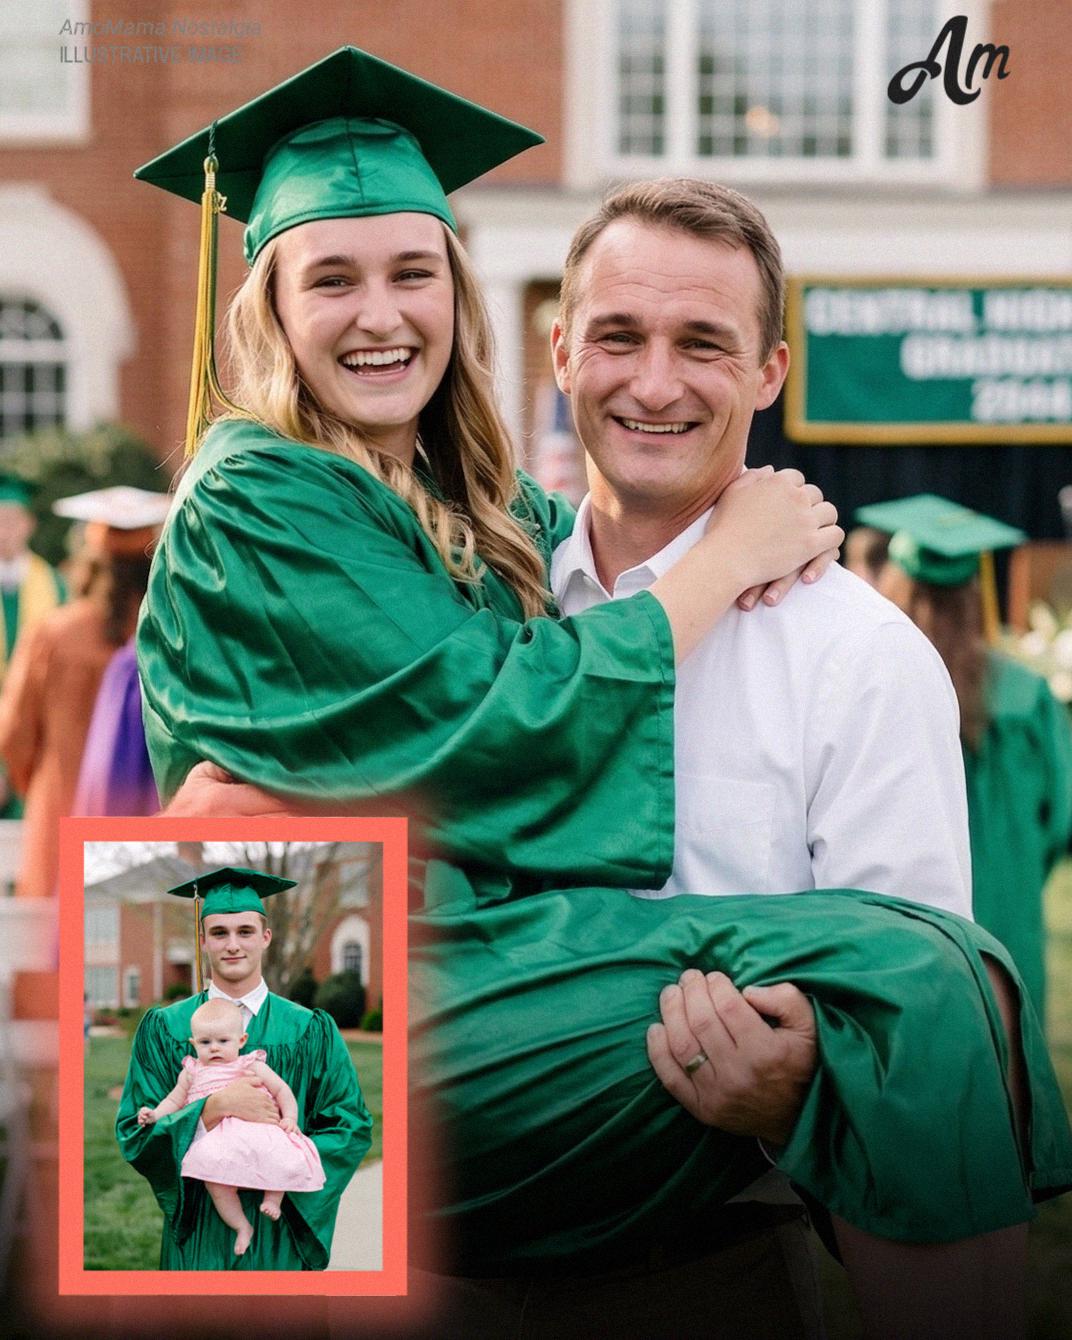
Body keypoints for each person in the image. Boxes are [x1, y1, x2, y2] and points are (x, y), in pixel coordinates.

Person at [134, 47, 1070, 1335]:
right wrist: (724, 558)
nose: (653, 381)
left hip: (694, 1250)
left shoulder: (506, 542)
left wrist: (796, 1078)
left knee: (915, 981)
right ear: (561, 352)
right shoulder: (263, 493)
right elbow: (493, 723)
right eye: (329, 277)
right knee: (922, 980)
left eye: (413, 272)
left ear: (769, 373)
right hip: (398, 1067)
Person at [863, 493, 1072, 1024]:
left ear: (894, 588)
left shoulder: (871, 688)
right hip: (1006, 919)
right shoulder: (1026, 696)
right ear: (976, 592)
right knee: (1007, 1077)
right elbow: (1061, 816)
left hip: (899, 921)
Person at [116, 866, 372, 1271]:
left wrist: (280, 1159)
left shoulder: (308, 1029)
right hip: (201, 1232)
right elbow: (135, 1131)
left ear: (266, 937)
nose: (232, 945)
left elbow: (351, 1127)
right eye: (219, 932)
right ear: (203, 940)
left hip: (280, 1232)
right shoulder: (166, 1028)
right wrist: (213, 1108)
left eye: (245, 931)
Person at [0, 486, 168, 896]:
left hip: (61, 814)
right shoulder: (169, 636)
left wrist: (44, 783)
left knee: (58, 947)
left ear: (89, 561)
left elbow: (13, 735)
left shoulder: (54, 633)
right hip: (143, 816)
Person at [137, 997, 326, 1257]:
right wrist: (154, 1114)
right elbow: (174, 1100)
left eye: (223, 1041)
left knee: (277, 1159)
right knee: (216, 1185)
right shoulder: (191, 1071)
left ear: (242, 1041)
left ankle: (273, 1198)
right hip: (219, 1143)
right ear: (193, 1044)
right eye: (205, 1042)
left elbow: (282, 1090)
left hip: (257, 1131)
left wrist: (290, 1118)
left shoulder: (250, 1064)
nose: (214, 1048)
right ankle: (241, 1226)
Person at [0, 472, 65, 817]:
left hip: (38, 742)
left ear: (28, 525)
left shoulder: (55, 586)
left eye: (11, 520)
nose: (3, 530)